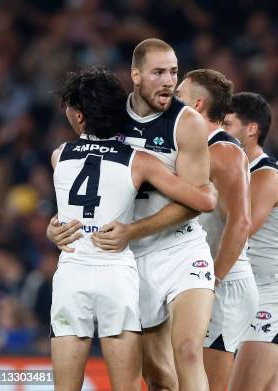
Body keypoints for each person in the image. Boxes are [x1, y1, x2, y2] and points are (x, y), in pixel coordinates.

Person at [48, 39, 214, 391]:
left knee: (187, 351)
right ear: (135, 76)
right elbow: (87, 178)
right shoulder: (110, 112)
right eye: (158, 72)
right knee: (157, 379)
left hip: (180, 249)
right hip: (127, 255)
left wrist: (134, 230)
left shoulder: (187, 123)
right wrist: (58, 225)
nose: (169, 81)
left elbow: (198, 200)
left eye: (173, 72)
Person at [90, 69, 257, 391]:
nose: (168, 95)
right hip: (178, 270)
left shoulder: (222, 150)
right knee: (164, 377)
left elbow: (241, 222)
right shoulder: (177, 144)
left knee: (197, 369)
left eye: (178, 93)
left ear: (195, 104)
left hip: (219, 276)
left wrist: (215, 278)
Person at [224, 92, 278, 391]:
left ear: (251, 129)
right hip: (257, 295)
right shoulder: (242, 173)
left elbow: (240, 230)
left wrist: (210, 278)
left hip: (274, 297)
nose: (220, 132)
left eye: (227, 124)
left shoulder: (265, 176)